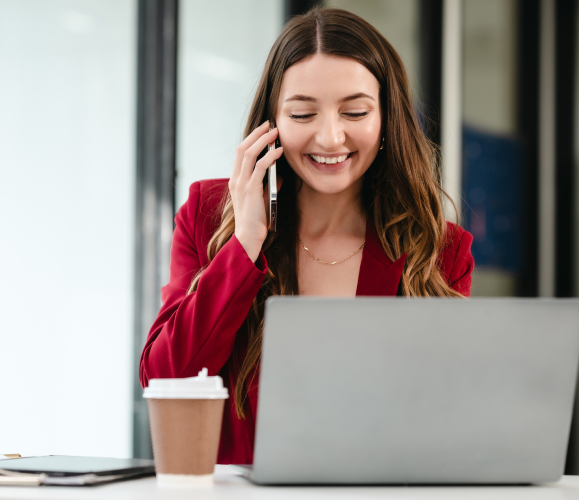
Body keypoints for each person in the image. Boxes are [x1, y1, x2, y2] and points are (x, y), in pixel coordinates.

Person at [139, 7, 474, 465]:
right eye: (302, 114)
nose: (330, 137)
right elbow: (166, 379)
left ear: (387, 119)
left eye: (355, 111)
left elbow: (451, 419)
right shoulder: (207, 215)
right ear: (271, 123)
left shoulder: (439, 250)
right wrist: (245, 244)